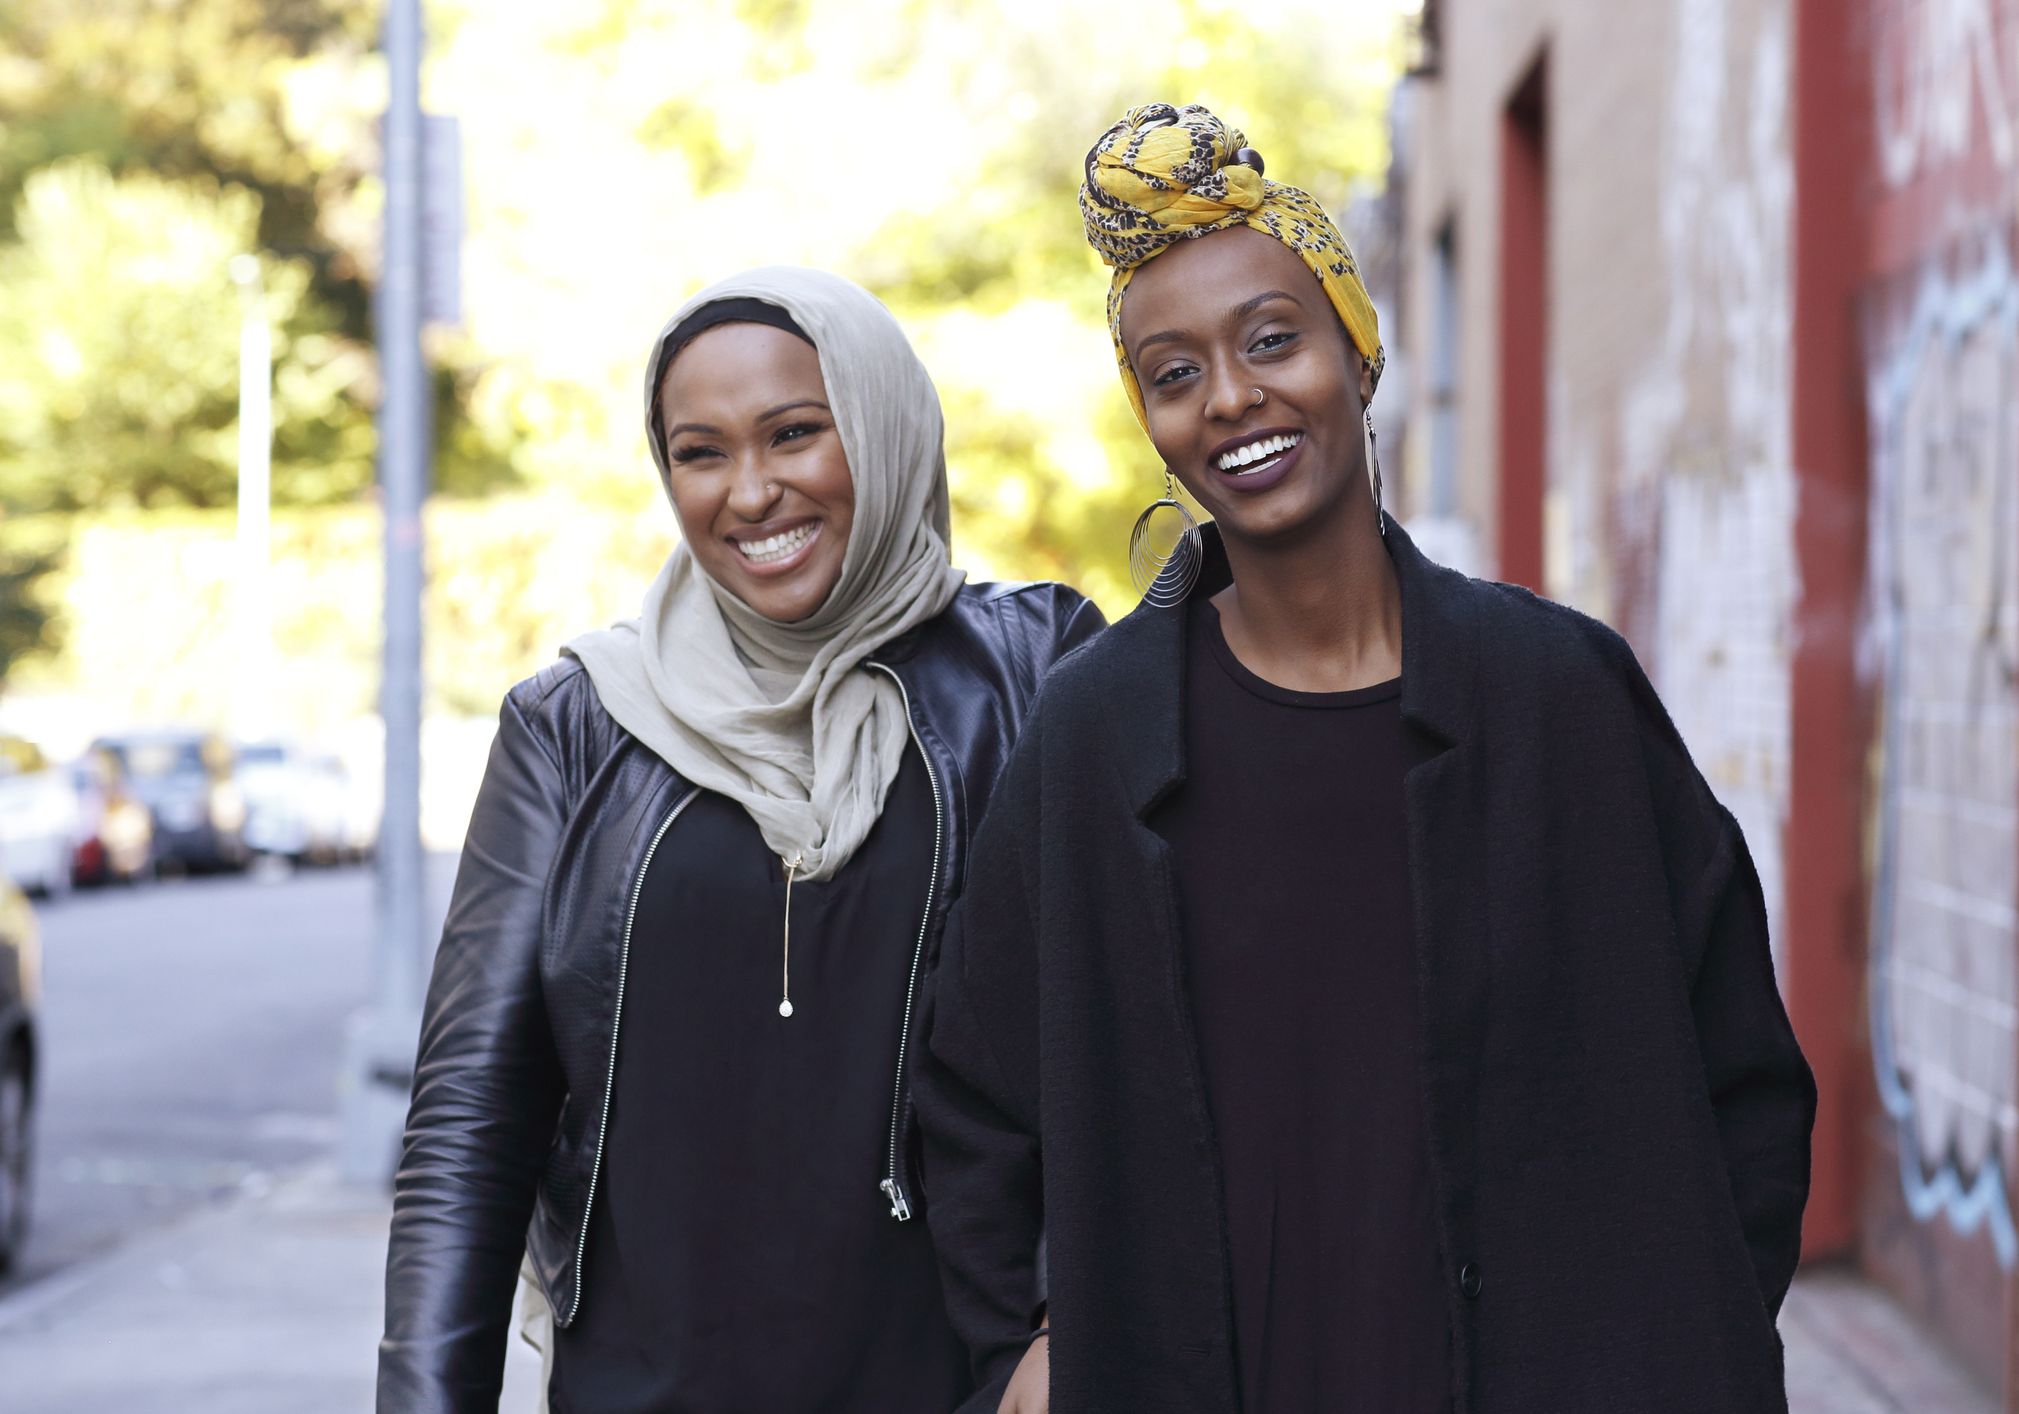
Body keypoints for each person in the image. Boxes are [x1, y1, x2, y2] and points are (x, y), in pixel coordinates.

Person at [916, 104, 1817, 1414]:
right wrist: (1021, 1347)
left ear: (1356, 344)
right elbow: (974, 1092)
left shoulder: (1557, 694)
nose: (1230, 397)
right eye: (1173, 374)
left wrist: (1677, 1334)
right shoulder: (1097, 733)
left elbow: (1738, 1066)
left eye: (1271, 340)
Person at [377, 266, 1103, 1414]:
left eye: (796, 433)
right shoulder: (575, 726)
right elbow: (472, 1116)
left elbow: (1123, 1040)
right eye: (699, 452)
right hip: (647, 1387)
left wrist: (1073, 1324)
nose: (750, 491)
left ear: (881, 425)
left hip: (958, 1384)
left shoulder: (1034, 672)